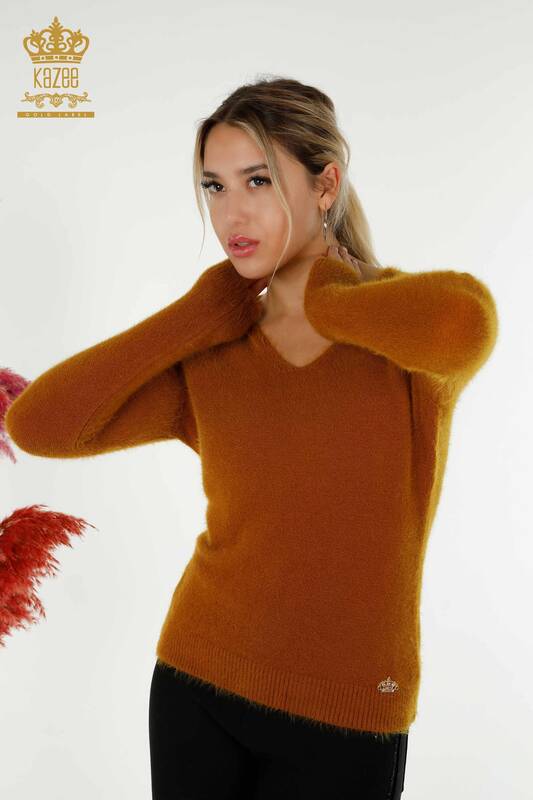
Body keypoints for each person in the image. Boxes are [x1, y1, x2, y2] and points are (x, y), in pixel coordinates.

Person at [5, 76, 498, 799]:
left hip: (350, 710)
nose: (230, 213)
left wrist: (329, 299)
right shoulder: (215, 353)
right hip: (196, 683)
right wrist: (191, 316)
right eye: (214, 187)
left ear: (325, 185)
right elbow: (37, 424)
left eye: (257, 181)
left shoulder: (404, 343)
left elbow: (467, 323)